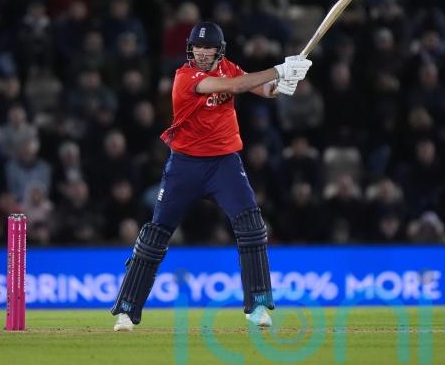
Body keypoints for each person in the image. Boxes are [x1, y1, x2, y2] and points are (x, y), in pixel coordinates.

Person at [111, 22, 312, 331]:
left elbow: (261, 89)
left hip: (224, 164)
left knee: (252, 227)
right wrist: (278, 69)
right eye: (198, 47)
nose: (203, 53)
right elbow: (236, 86)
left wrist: (284, 83)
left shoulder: (228, 67)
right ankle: (126, 310)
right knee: (156, 234)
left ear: (219, 50)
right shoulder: (185, 77)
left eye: (209, 48)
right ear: (190, 49)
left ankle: (258, 306)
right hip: (185, 165)